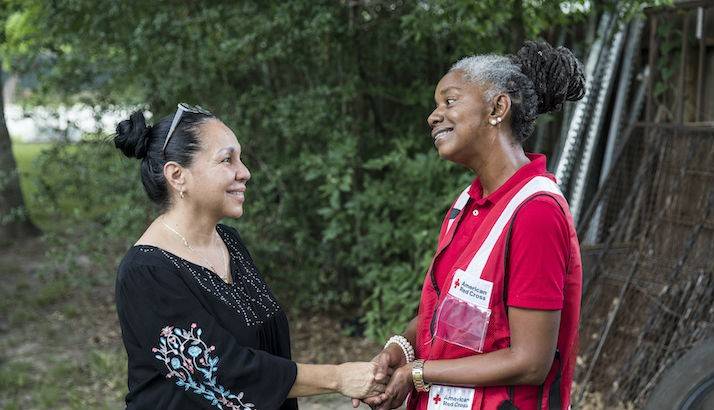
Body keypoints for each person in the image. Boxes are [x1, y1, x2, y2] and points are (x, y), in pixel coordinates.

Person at [356, 41, 585, 410]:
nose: (433, 116)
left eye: (449, 101)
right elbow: (452, 314)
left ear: (497, 107)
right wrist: (400, 347)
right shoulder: (468, 205)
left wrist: (420, 373)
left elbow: (530, 362)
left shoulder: (536, 213)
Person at [113, 104, 386, 409]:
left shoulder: (229, 241)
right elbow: (222, 372)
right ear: (177, 175)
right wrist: (337, 378)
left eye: (240, 159)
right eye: (227, 159)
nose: (244, 173)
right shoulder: (146, 272)